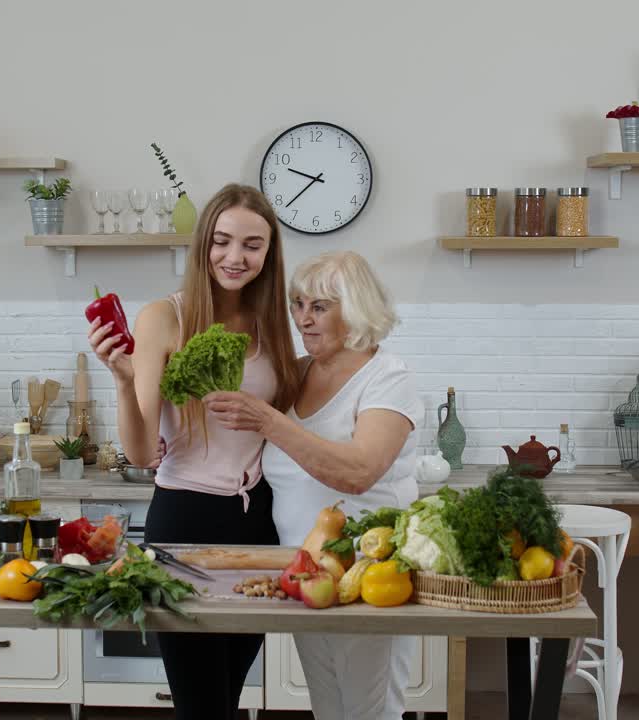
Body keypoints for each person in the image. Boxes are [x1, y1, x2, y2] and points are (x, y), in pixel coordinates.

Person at [87, 183, 300, 719]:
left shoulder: (274, 324)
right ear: (204, 243)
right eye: (222, 241)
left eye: (252, 245)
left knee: (228, 693)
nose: (235, 257)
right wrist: (122, 380)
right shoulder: (164, 317)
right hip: (185, 521)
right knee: (200, 704)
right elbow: (141, 452)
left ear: (269, 253)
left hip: (259, 524)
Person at [205, 250, 422, 720]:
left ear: (357, 309)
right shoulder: (299, 372)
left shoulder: (387, 377)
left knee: (371, 712)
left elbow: (359, 472)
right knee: (328, 708)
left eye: (319, 307)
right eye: (298, 304)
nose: (303, 318)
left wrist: (269, 420)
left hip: (370, 576)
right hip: (307, 574)